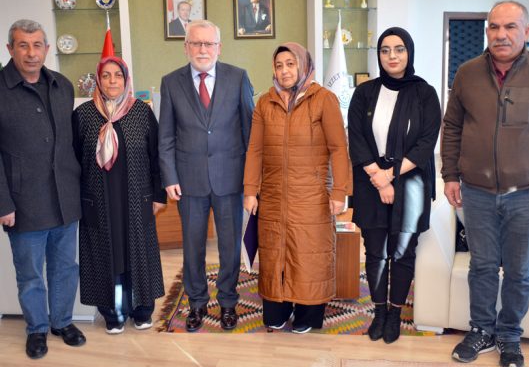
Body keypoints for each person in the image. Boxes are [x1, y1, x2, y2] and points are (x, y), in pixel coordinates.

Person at [442, 0, 529, 367]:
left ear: (526, 31)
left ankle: (509, 336)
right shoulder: (466, 73)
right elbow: (452, 126)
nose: (501, 35)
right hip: (477, 191)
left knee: (519, 270)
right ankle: (481, 330)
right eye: (494, 27)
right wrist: (450, 174)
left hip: (525, 193)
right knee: (481, 266)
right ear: (486, 32)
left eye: (510, 27)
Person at [243, 42, 349, 333]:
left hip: (312, 195)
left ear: (303, 66)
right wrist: (250, 190)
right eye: (279, 65)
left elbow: (339, 148)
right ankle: (279, 307)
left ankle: (307, 314)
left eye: (291, 64)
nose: (285, 71)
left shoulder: (323, 99)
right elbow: (255, 150)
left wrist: (340, 192)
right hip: (273, 195)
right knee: (274, 253)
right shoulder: (265, 102)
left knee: (308, 255)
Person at [159, 19, 254, 332]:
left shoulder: (238, 78)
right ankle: (197, 303)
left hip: (231, 179)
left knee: (230, 247)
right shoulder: (171, 82)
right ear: (186, 47)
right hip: (189, 181)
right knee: (193, 247)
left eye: (208, 43)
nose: (202, 49)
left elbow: (250, 132)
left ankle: (227, 302)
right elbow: (166, 136)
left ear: (219, 47)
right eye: (196, 43)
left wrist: (251, 180)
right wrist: (170, 176)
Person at [348, 27, 441, 344]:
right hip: (370, 181)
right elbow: (356, 138)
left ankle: (395, 314)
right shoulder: (364, 92)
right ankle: (378, 312)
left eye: (399, 49)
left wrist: (390, 176)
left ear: (409, 52)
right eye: (385, 50)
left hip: (410, 183)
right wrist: (378, 176)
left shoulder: (425, 93)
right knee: (375, 251)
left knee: (402, 253)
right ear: (379, 55)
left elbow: (426, 143)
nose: (392, 56)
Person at [0, 19, 86, 359]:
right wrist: (3, 202)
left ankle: (62, 322)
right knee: (31, 275)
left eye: (37, 45)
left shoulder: (62, 85)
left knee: (65, 267)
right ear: (10, 49)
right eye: (23, 45)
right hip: (23, 202)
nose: (31, 53)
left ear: (47, 49)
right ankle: (36, 329)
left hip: (65, 197)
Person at [73, 56, 166, 334]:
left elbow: (156, 156)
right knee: (106, 255)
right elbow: (73, 161)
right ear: (98, 80)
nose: (112, 81)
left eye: (118, 75)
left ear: (126, 80)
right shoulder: (83, 115)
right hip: (98, 200)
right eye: (106, 75)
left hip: (136, 198)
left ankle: (142, 309)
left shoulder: (141, 112)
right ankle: (112, 312)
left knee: (138, 252)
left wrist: (159, 195)